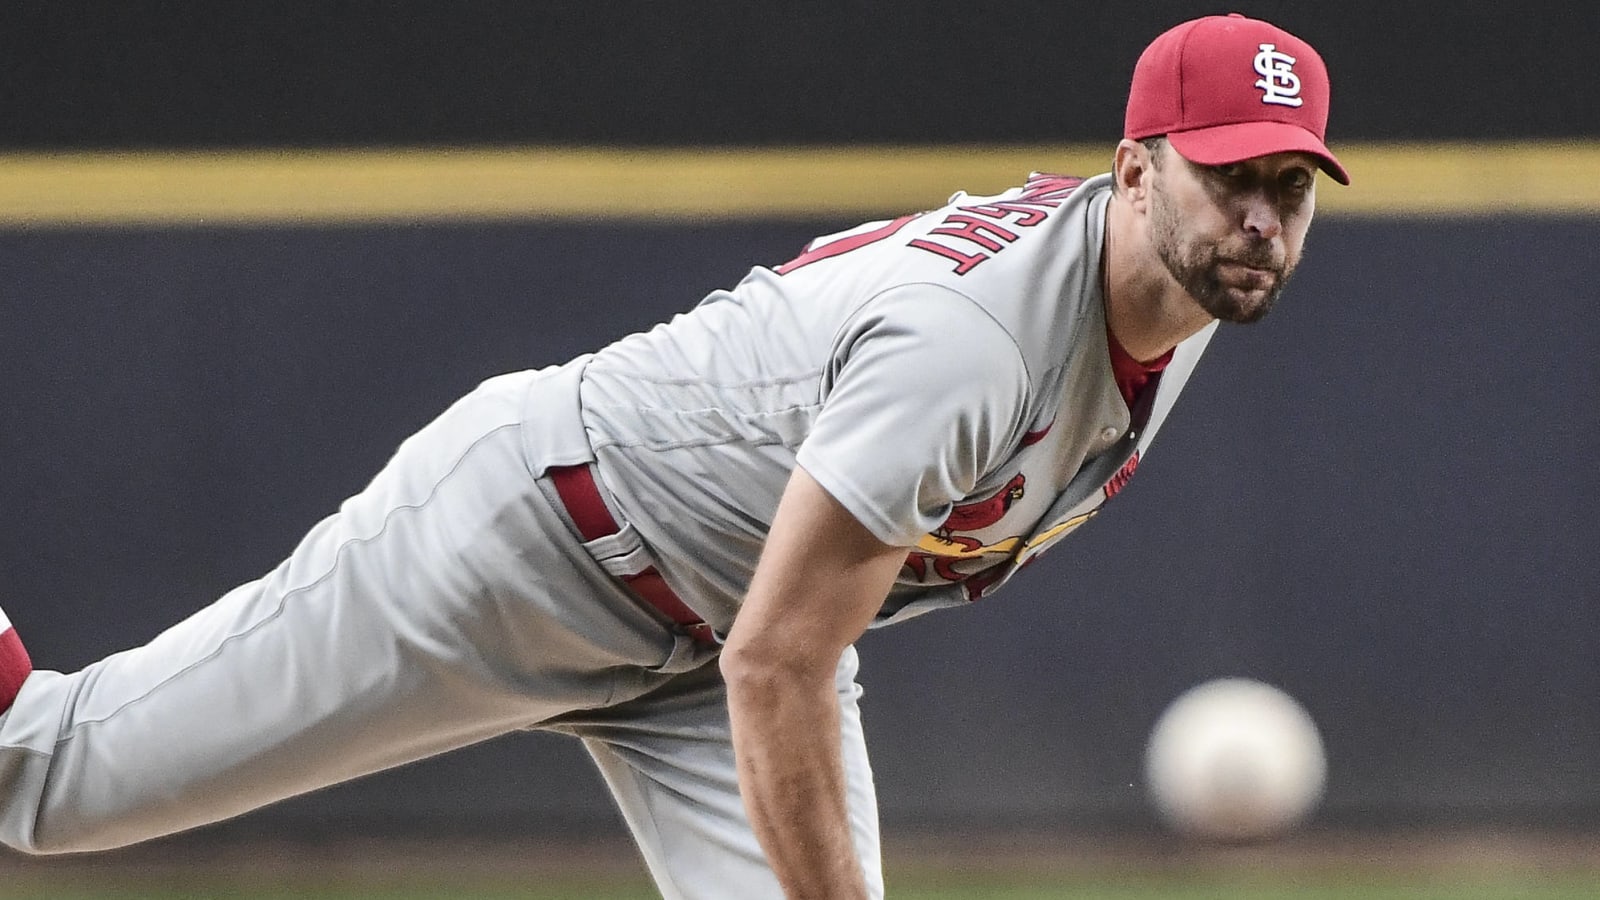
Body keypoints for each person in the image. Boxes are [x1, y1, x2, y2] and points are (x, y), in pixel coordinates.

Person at [0, 13, 1348, 899]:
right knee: (49, 788)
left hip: (707, 651)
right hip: (527, 547)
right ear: (1132, 168)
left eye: (1286, 187)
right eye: (1226, 175)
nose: (1259, 221)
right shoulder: (974, 347)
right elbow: (785, 657)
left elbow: (766, 644)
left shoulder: (1179, 289)